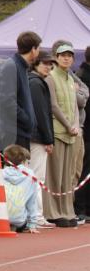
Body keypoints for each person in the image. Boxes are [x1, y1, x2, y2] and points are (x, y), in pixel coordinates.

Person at [45, 40, 81, 226]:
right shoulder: (51, 77)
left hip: (71, 134)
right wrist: (68, 125)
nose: (67, 58)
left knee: (67, 175)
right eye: (63, 55)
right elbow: (53, 106)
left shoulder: (70, 78)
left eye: (69, 56)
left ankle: (67, 210)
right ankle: (53, 212)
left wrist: (75, 124)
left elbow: (75, 105)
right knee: (55, 174)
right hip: (58, 132)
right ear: (56, 58)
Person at [0, 144, 40, 233]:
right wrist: (32, 224)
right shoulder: (31, 175)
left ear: (5, 160)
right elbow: (32, 202)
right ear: (24, 160)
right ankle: (13, 222)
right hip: (19, 220)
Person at [0, 31, 41, 149]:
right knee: (16, 168)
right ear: (33, 49)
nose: (38, 53)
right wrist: (26, 120)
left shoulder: (20, 66)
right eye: (38, 49)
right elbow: (7, 101)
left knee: (22, 168)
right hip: (14, 134)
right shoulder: (11, 66)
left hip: (21, 133)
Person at [27, 50, 56, 228]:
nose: (48, 66)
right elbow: (41, 113)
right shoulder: (36, 83)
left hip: (35, 136)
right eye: (45, 63)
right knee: (37, 177)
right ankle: (36, 216)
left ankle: (35, 215)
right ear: (36, 64)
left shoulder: (34, 81)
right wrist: (48, 138)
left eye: (50, 63)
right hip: (37, 137)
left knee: (35, 176)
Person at [75, 47, 90, 223]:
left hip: (84, 129)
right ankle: (80, 208)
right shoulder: (81, 76)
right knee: (82, 171)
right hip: (84, 130)